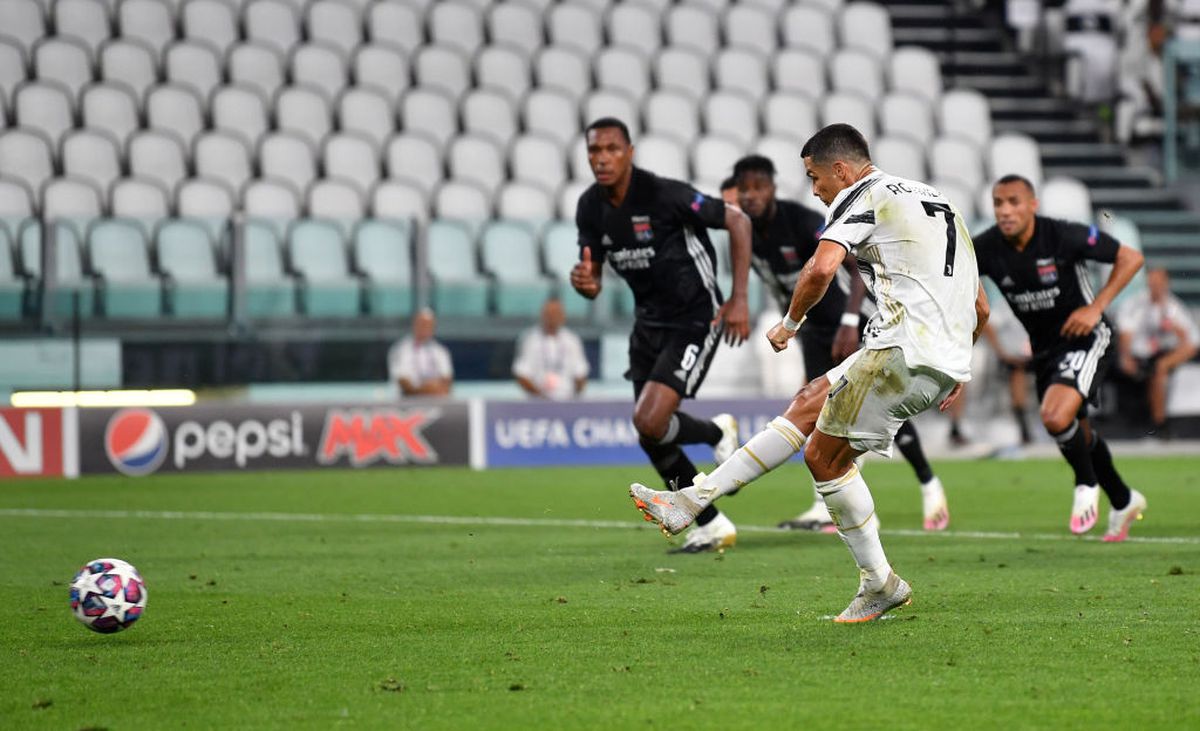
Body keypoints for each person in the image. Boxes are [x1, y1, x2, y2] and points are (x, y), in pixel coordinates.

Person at [631, 123, 990, 622]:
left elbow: (821, 269)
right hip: (929, 352)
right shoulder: (937, 199)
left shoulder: (862, 195)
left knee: (823, 458)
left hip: (901, 349)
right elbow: (980, 304)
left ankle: (878, 582)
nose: (815, 190)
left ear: (840, 170)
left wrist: (789, 324)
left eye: (815, 177)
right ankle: (691, 502)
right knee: (806, 403)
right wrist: (956, 366)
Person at [731, 153, 953, 533]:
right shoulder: (745, 233)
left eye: (759, 187)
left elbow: (849, 265)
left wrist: (850, 322)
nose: (751, 196)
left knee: (878, 406)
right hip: (813, 330)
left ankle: (929, 485)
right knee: (821, 409)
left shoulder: (801, 221)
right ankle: (825, 507)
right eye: (744, 189)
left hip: (849, 322)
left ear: (772, 189)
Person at [571, 117, 750, 553]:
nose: (602, 159)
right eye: (595, 150)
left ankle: (714, 434)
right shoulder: (590, 207)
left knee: (650, 422)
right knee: (649, 432)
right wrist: (586, 283)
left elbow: (738, 221)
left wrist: (739, 298)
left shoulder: (664, 194)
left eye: (612, 149)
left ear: (629, 153)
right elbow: (593, 279)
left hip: (695, 317)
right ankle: (712, 523)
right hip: (648, 323)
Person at [974, 174, 1146, 540]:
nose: (1005, 211)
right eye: (999, 203)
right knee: (1076, 431)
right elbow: (956, 278)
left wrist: (1095, 308)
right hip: (1045, 350)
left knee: (1055, 416)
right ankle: (1123, 499)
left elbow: (1131, 258)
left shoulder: (1062, 235)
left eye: (1014, 202)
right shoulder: (986, 247)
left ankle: (1085, 483)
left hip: (1087, 338)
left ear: (1033, 205)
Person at [1117, 267, 1199, 437]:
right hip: (1141, 354)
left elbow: (1190, 340)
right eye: (1153, 282)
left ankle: (1159, 423)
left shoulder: (1173, 306)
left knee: (1160, 367)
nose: (1156, 286)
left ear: (1166, 283)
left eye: (1159, 283)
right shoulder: (1136, 304)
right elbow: (1126, 334)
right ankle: (1158, 422)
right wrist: (1126, 357)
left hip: (1164, 354)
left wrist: (1171, 324)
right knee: (1156, 369)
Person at [513, 298, 590, 400]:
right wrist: (540, 397)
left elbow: (580, 373)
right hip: (537, 401)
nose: (552, 318)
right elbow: (522, 373)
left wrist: (575, 399)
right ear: (542, 315)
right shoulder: (530, 339)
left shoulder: (572, 340)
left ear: (563, 316)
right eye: (549, 314)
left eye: (556, 314)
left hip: (567, 399)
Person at [389, 308, 453, 397]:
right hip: (407, 402)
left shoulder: (440, 351)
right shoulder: (400, 349)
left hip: (436, 401)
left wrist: (432, 390)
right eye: (422, 324)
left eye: (429, 325)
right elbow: (403, 383)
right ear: (414, 324)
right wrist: (427, 390)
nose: (425, 328)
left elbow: (447, 381)